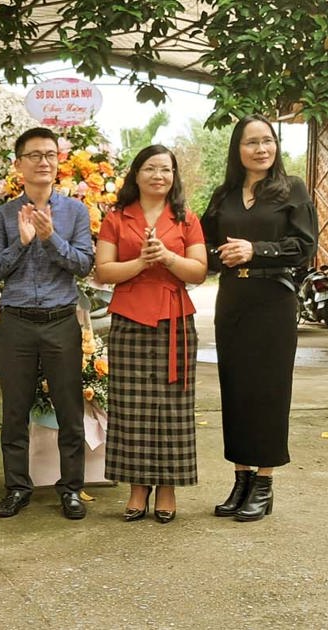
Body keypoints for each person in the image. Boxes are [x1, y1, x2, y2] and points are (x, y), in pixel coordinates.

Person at [201, 114, 318, 522]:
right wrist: (221, 255)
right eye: (252, 142)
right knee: (235, 388)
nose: (261, 148)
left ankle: (265, 483)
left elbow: (305, 246)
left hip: (273, 300)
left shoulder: (292, 190)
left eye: (268, 140)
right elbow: (205, 245)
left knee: (268, 390)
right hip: (233, 299)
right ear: (238, 149)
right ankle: (242, 478)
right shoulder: (224, 195)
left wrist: (256, 250)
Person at [0, 127, 96, 520]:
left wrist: (51, 239)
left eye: (50, 154)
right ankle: (17, 487)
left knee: (69, 410)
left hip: (59, 321)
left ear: (58, 162)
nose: (43, 161)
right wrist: (24, 242)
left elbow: (85, 264)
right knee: (14, 411)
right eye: (34, 155)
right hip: (15, 322)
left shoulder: (75, 212)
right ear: (19, 165)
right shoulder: (2, 215)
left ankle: (71, 489)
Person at [95, 145, 207, 524]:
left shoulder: (186, 218)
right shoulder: (116, 217)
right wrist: (142, 261)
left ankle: (168, 487)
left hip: (174, 318)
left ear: (174, 176)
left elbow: (199, 271)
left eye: (166, 169)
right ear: (136, 174)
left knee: (172, 406)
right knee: (131, 406)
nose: (158, 175)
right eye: (150, 168)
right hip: (128, 317)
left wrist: (168, 259)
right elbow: (103, 272)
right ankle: (137, 486)